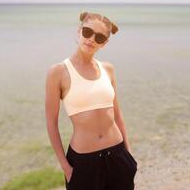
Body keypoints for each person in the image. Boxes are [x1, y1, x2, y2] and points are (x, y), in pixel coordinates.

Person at [45, 11, 138, 190]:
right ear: (79, 31)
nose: (91, 39)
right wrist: (66, 168)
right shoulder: (57, 72)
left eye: (100, 37)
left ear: (105, 43)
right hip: (83, 163)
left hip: (118, 156)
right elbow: (51, 124)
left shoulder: (108, 69)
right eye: (88, 32)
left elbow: (117, 117)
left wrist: (129, 156)